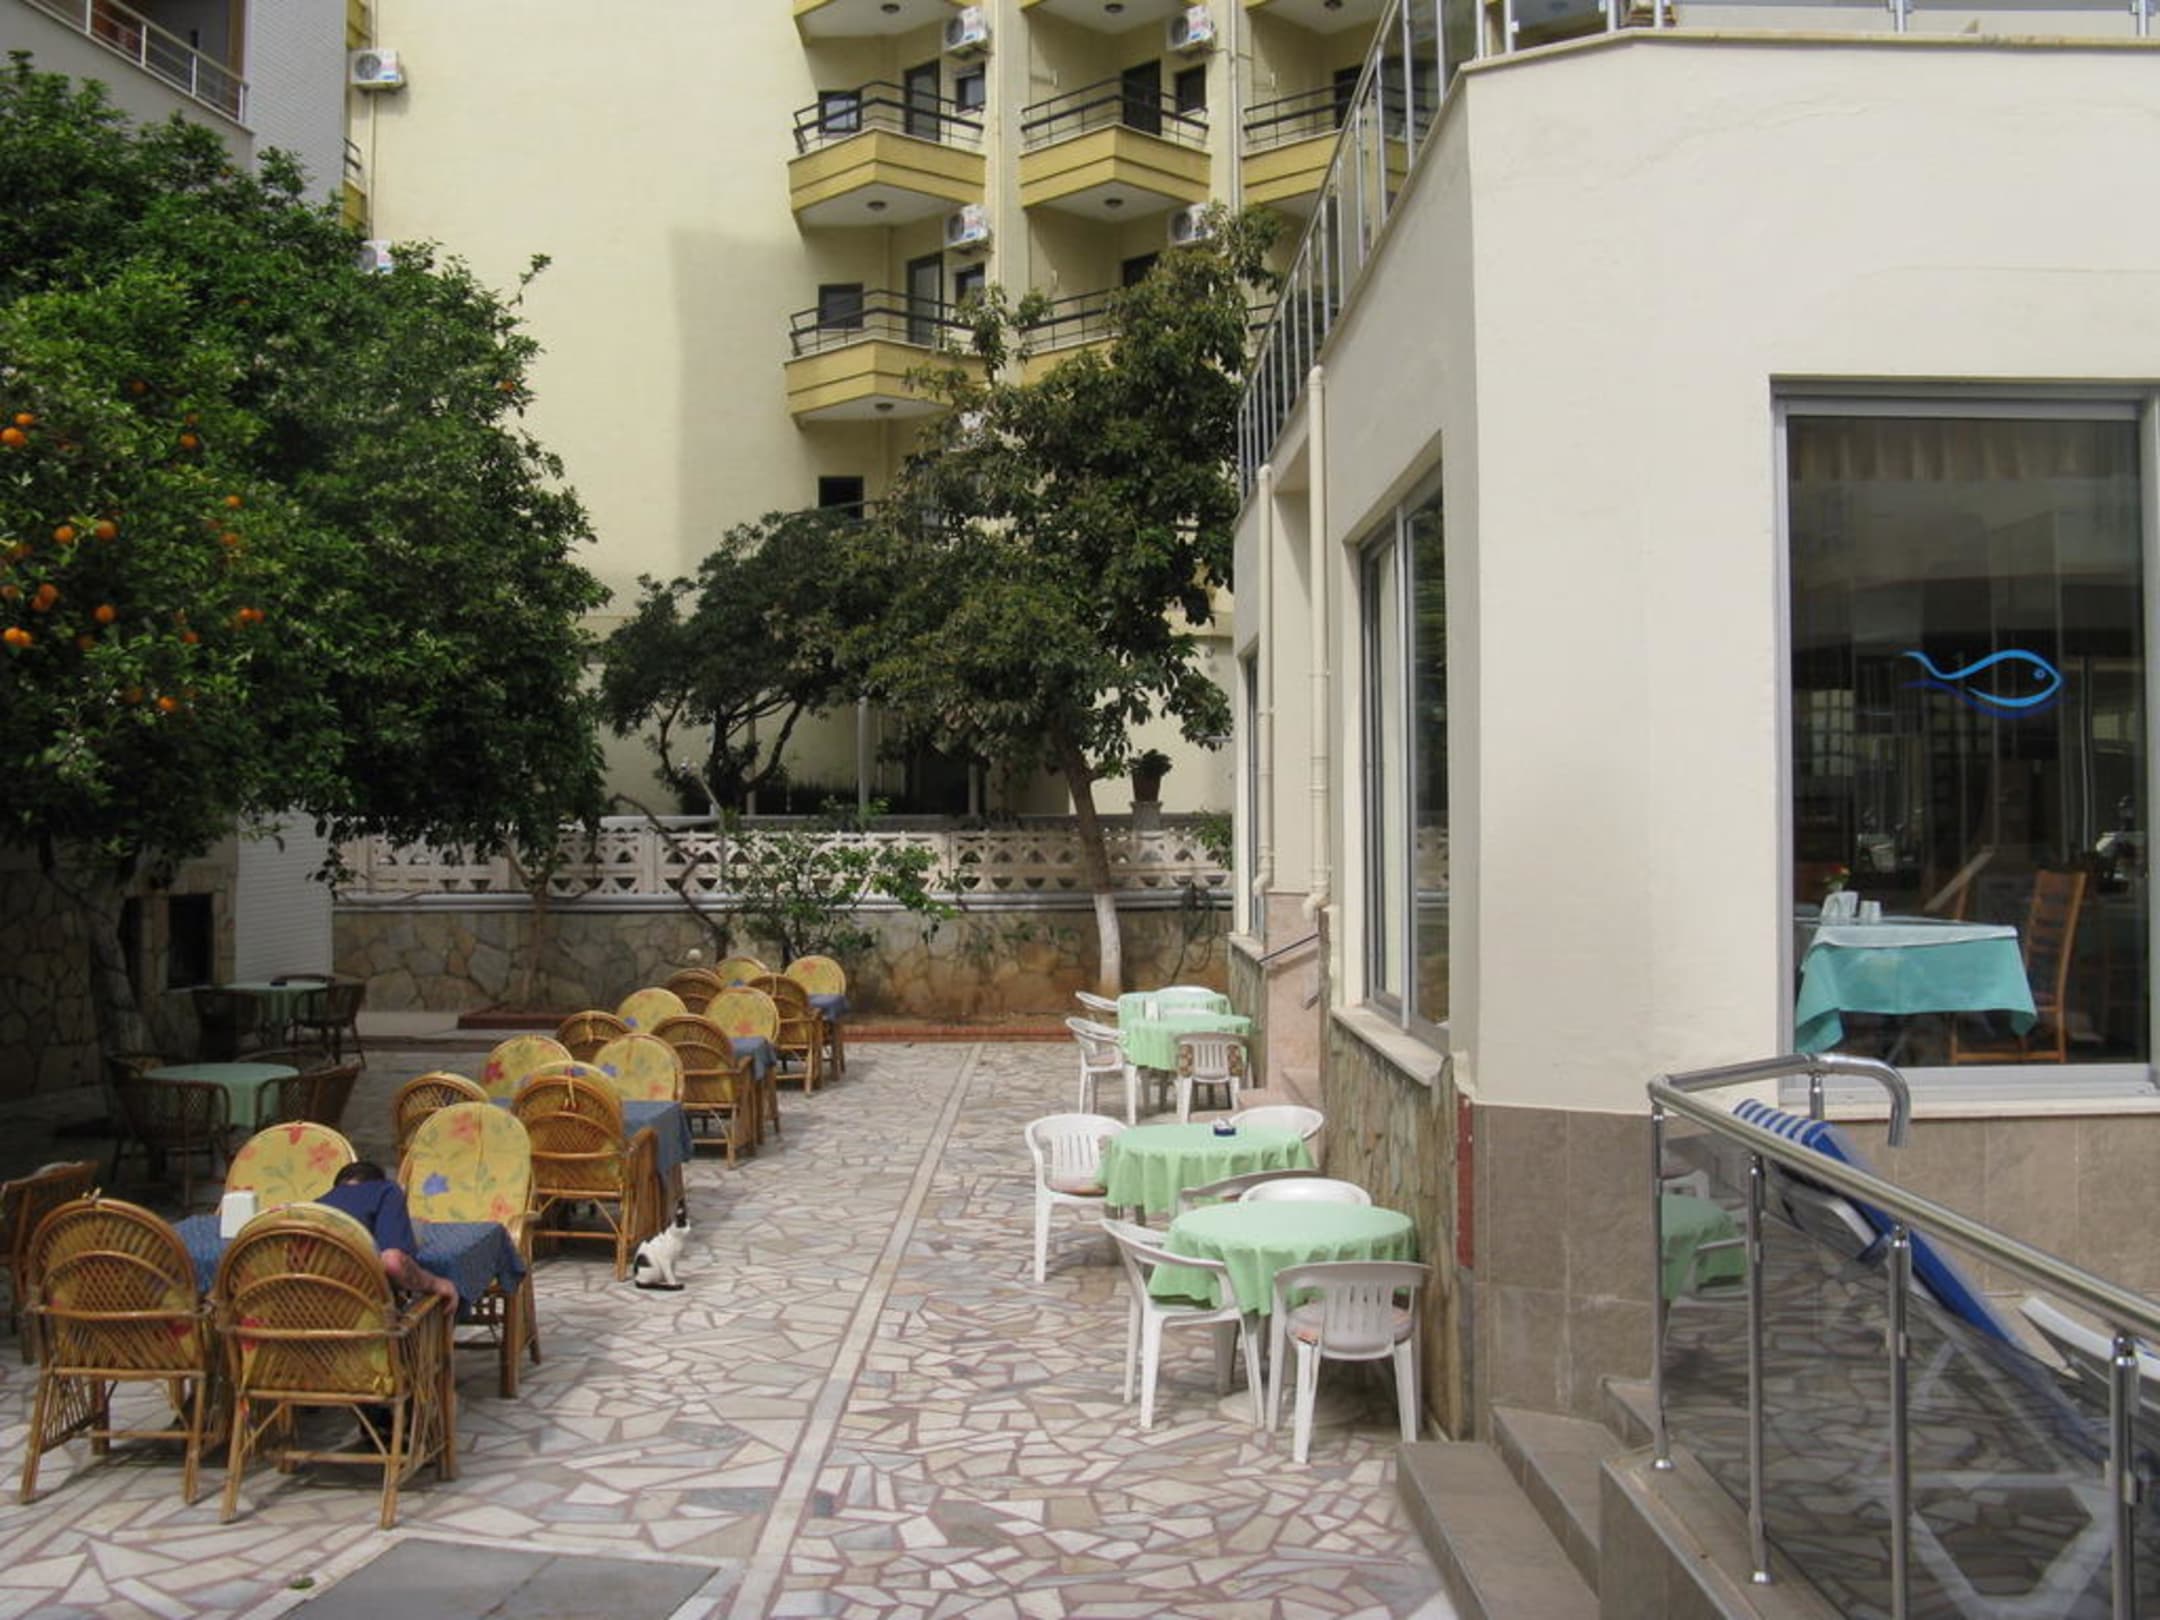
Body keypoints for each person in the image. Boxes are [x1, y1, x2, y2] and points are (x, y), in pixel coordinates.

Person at [317, 1161, 459, 1306]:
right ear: (377, 1181)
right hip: (362, 1310)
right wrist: (436, 1284)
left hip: (312, 1310)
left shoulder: (314, 1206)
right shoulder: (385, 1190)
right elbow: (393, 1263)